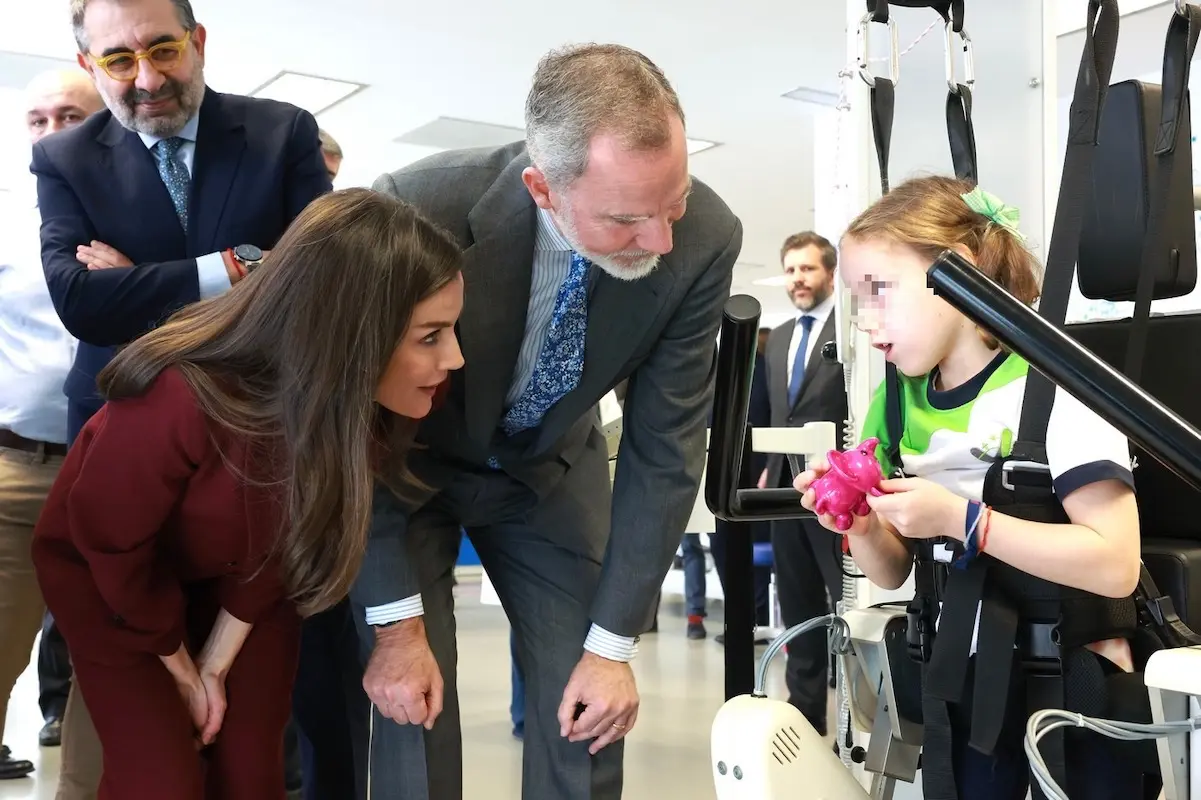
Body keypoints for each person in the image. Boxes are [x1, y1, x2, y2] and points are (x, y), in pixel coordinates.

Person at [340, 43, 741, 800]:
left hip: (548, 474)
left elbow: (666, 446)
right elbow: (354, 423)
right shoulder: (416, 205)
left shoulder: (706, 237)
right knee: (410, 706)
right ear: (541, 187)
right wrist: (394, 629)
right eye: (626, 217)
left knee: (587, 704)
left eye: (673, 202)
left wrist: (613, 646)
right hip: (407, 468)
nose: (660, 239)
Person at [30, 188, 463, 799]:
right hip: (112, 582)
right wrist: (181, 668)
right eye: (430, 336)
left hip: (247, 581)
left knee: (250, 771)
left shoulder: (364, 409)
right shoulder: (178, 393)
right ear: (348, 331)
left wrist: (215, 664)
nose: (456, 357)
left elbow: (287, 544)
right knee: (162, 777)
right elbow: (110, 546)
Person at [36, 0, 332, 792]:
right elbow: (78, 302)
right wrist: (235, 266)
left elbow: (312, 287)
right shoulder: (65, 158)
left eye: (162, 50)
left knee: (251, 741)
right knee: (143, 750)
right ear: (93, 64)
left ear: (197, 42)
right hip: (122, 464)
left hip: (255, 460)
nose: (145, 79)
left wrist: (137, 281)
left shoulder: (281, 134)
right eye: (118, 61)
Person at [794, 176, 1142, 798]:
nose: (867, 322)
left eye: (880, 292)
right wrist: (862, 524)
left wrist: (966, 521)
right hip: (963, 683)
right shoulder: (893, 407)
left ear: (958, 274)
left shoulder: (1053, 386)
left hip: (1072, 686)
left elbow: (1116, 565)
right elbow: (892, 573)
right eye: (856, 299)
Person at [0, 70, 103, 781]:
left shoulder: (158, 219)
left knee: (112, 672)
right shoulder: (9, 224)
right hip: (18, 471)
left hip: (121, 476)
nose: (50, 131)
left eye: (69, 115)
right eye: (36, 120)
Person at [760, 231, 848, 735]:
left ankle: (857, 712)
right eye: (791, 269)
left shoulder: (851, 332)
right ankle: (806, 715)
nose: (798, 278)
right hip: (784, 493)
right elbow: (776, 414)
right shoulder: (779, 338)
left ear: (829, 274)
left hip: (837, 489)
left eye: (808, 269)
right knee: (797, 603)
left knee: (845, 600)